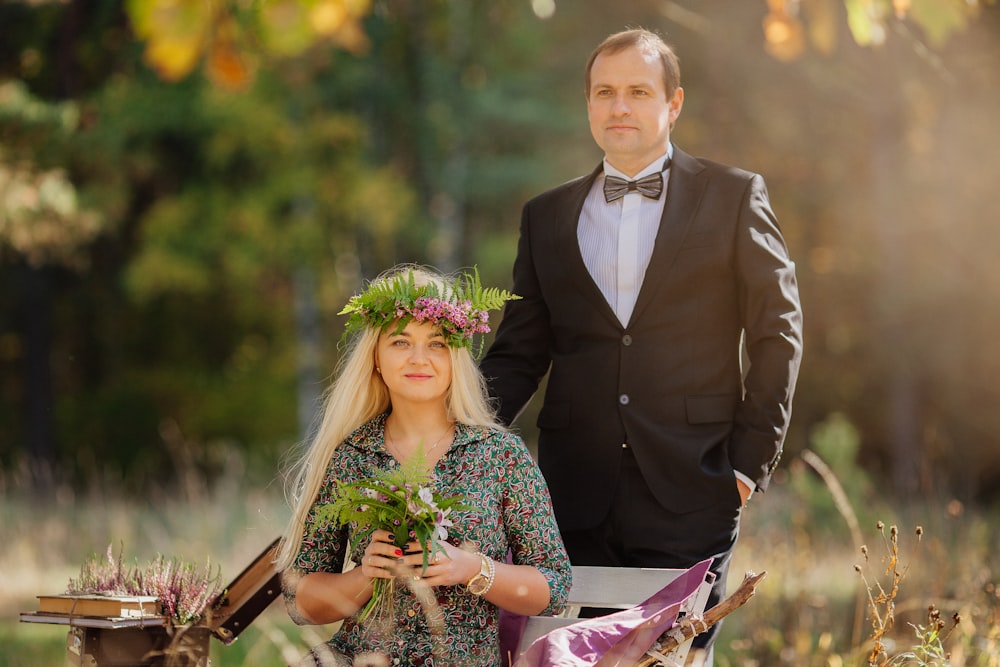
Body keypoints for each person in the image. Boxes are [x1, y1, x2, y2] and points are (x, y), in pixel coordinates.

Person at [480, 28, 803, 661]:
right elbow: (518, 354)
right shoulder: (544, 215)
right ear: (589, 105)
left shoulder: (735, 196)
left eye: (637, 91)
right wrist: (454, 443)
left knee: (675, 658)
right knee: (568, 658)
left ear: (673, 103)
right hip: (570, 493)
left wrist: (744, 468)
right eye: (604, 92)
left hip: (695, 486)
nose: (619, 106)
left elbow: (777, 331)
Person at [275, 265, 571, 667]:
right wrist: (365, 576)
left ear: (456, 359)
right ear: (376, 357)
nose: (419, 359)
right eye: (401, 342)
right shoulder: (350, 457)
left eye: (436, 344)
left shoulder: (500, 455)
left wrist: (471, 568)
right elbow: (302, 603)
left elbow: (553, 586)